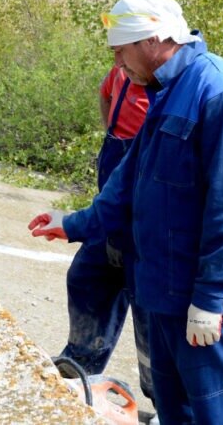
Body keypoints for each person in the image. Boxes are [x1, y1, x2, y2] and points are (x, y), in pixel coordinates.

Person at [29, 0, 223, 424]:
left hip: (204, 302)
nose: (118, 66)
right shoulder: (167, 91)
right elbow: (129, 182)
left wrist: (210, 298)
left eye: (121, 52)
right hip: (166, 291)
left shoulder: (220, 93)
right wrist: (73, 223)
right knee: (177, 411)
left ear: (150, 40)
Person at [59, 64, 155, 402]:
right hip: (111, 212)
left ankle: (168, 402)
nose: (118, 56)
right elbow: (106, 96)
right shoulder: (122, 71)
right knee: (88, 276)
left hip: (148, 222)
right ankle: (78, 371)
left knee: (150, 309)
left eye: (123, 48)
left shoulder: (168, 87)